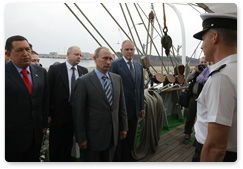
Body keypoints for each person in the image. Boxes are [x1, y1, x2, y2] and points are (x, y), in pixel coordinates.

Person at [192, 13, 237, 162]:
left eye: (204, 39)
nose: (202, 46)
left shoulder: (222, 77)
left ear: (215, 37)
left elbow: (216, 147)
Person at [72, 47, 128, 162]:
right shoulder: (84, 81)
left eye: (110, 59)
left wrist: (124, 127)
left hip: (113, 135)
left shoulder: (117, 79)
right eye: (105, 58)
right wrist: (81, 137)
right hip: (93, 138)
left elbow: (121, 106)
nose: (108, 62)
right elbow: (78, 112)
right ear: (95, 59)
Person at [5, 35, 49, 162]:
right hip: (10, 139)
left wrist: (44, 125)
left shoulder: (40, 72)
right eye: (19, 50)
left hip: (35, 138)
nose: (25, 54)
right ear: (8, 54)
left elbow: (44, 101)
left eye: (27, 49)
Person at [48, 46, 88, 162]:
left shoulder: (83, 71)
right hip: (59, 115)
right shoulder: (55, 70)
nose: (79, 57)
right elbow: (48, 92)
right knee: (57, 146)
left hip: (76, 115)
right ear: (68, 54)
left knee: (70, 145)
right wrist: (48, 114)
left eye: (80, 55)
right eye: (76, 54)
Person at [110, 40, 145, 162]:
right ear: (121, 51)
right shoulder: (115, 65)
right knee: (120, 138)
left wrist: (142, 107)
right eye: (127, 49)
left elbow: (140, 88)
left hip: (135, 109)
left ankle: (128, 158)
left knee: (131, 137)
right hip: (121, 110)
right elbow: (112, 88)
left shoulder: (139, 66)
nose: (130, 52)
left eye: (132, 49)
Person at [183, 57, 207, 141]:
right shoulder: (196, 72)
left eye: (204, 62)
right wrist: (195, 72)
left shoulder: (209, 72)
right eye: (201, 62)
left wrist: (203, 74)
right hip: (194, 96)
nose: (203, 64)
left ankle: (201, 135)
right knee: (190, 115)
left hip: (204, 97)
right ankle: (187, 132)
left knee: (203, 117)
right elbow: (188, 79)